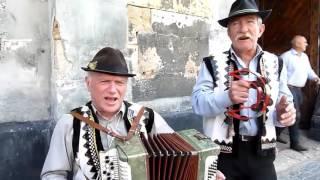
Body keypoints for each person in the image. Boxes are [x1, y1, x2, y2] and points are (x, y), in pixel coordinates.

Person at [192, 0, 296, 179]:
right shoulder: (211, 63)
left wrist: (284, 115)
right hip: (221, 157)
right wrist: (226, 97)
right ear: (229, 32)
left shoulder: (276, 63)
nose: (243, 29)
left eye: (249, 21)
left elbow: (285, 103)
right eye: (235, 23)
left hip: (262, 154)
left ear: (261, 29)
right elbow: (197, 104)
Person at [40, 47, 174, 179]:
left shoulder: (148, 118)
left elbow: (177, 157)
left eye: (119, 82)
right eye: (105, 82)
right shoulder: (69, 123)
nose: (112, 90)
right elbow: (52, 175)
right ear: (88, 83)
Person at [276, 35, 320, 151]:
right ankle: (295, 143)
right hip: (289, 89)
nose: (307, 44)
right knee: (296, 115)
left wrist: (315, 77)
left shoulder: (304, 57)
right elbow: (279, 74)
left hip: (299, 90)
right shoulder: (286, 57)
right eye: (304, 42)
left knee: (289, 114)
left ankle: (275, 135)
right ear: (297, 44)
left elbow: (308, 70)